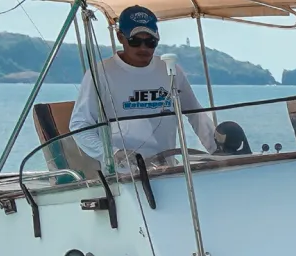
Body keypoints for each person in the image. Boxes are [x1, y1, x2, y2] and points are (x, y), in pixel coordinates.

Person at [69, 6, 216, 167]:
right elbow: (80, 125)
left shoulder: (170, 69)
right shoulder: (99, 73)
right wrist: (113, 153)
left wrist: (218, 151)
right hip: (123, 174)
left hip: (167, 169)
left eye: (150, 41)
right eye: (135, 41)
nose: (143, 48)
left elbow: (196, 114)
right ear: (120, 37)